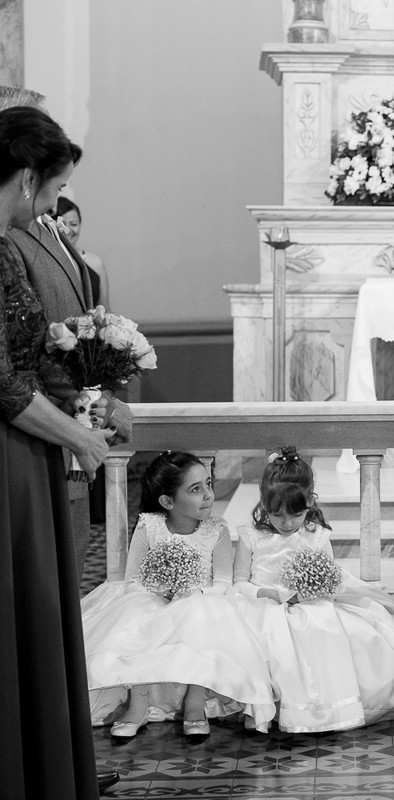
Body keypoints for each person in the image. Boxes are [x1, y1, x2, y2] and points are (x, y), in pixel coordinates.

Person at [0, 104, 114, 800]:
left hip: (27, 448)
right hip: (10, 454)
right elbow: (1, 382)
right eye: (48, 190)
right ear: (23, 178)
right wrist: (79, 436)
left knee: (37, 610)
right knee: (25, 607)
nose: (50, 207)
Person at [81, 451, 277, 739]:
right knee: (137, 611)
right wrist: (161, 592)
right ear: (168, 501)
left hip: (200, 598)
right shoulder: (150, 526)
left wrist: (191, 592)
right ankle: (139, 703)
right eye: (196, 490)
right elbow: (133, 580)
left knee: (198, 611)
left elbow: (223, 582)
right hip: (154, 596)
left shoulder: (216, 529)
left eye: (208, 484)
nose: (208, 495)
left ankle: (195, 703)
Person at [7, 155, 132, 580]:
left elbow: (81, 326)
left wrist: (102, 397)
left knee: (64, 582)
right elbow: (16, 365)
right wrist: (76, 426)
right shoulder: (11, 238)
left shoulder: (47, 225)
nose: (57, 200)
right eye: (57, 186)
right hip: (33, 431)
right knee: (36, 583)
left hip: (66, 422)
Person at [233, 446, 394, 732]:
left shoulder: (316, 536)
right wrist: (270, 595)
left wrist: (310, 592)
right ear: (264, 505)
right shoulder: (251, 536)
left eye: (296, 515)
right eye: (277, 515)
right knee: (273, 633)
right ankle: (266, 708)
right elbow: (239, 582)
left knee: (323, 624)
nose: (287, 523)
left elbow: (327, 578)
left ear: (310, 504)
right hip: (264, 603)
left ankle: (325, 711)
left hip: (308, 603)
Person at [53, 196, 108, 306]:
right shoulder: (48, 263)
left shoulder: (95, 263)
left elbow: (105, 309)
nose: (68, 230)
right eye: (62, 224)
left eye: (73, 224)